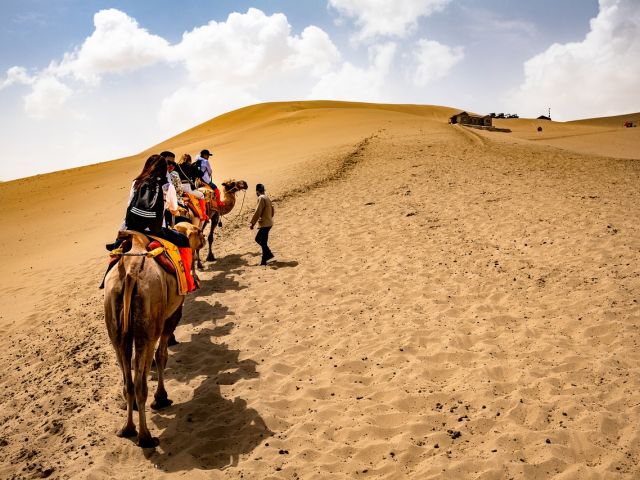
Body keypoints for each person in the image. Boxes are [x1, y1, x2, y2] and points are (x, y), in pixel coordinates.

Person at [107, 154, 197, 291]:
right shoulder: (167, 186)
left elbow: (129, 204)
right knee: (184, 241)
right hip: (155, 230)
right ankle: (188, 282)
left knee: (116, 249)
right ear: (163, 169)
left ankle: (106, 277)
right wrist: (175, 211)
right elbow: (173, 209)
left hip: (132, 227)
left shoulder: (136, 182)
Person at [250, 183, 275, 265]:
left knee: (258, 239)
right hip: (269, 222)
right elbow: (272, 210)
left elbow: (258, 211)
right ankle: (264, 260)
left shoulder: (261, 198)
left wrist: (252, 223)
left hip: (265, 224)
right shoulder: (267, 197)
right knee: (263, 242)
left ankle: (268, 254)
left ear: (257, 191)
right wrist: (269, 217)